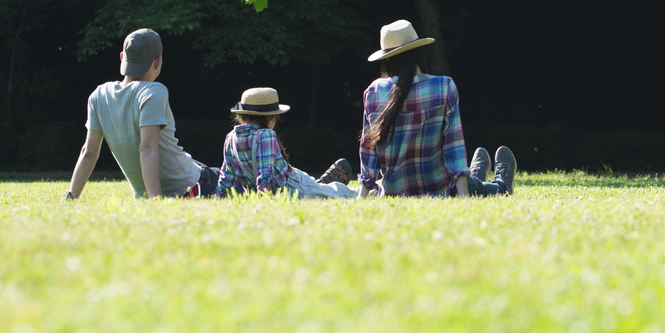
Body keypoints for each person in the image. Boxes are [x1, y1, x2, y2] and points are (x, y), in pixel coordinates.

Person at [358, 19, 516, 198]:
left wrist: (361, 197)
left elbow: (368, 151)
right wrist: (464, 199)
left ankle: (476, 175)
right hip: (440, 191)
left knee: (469, 183)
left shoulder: (374, 91)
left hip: (392, 193)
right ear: (419, 51)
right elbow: (453, 147)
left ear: (387, 59)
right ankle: (502, 184)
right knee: (478, 188)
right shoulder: (444, 86)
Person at [65, 29, 219, 200]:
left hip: (194, 172)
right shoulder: (153, 92)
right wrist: (156, 201)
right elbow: (146, 147)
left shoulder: (99, 96)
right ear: (158, 61)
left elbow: (89, 152)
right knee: (241, 181)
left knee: (218, 171)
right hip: (193, 186)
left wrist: (71, 197)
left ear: (122, 57)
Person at [217, 87, 358, 199]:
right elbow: (264, 175)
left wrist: (219, 197)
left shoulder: (231, 137)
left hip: (288, 182)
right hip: (292, 187)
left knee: (321, 189)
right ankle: (365, 191)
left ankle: (322, 187)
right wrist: (265, 199)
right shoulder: (266, 135)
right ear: (271, 117)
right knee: (336, 193)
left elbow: (227, 175)